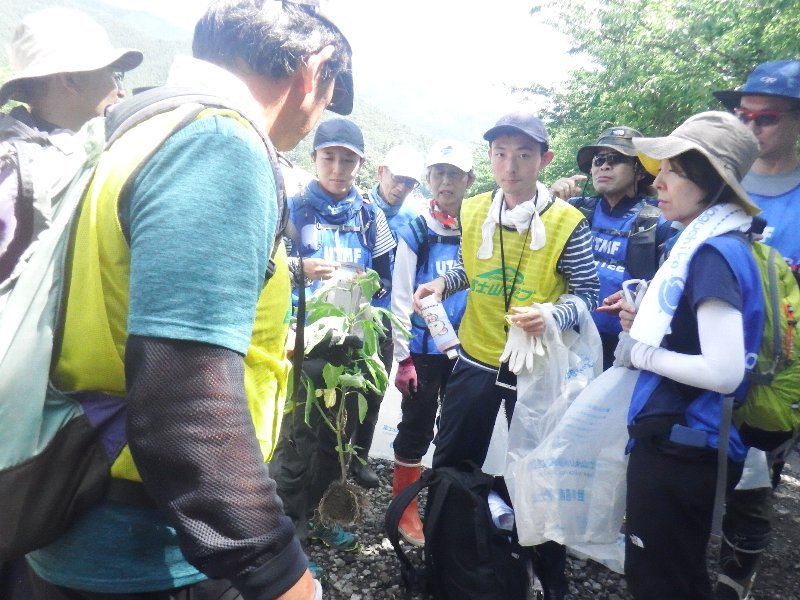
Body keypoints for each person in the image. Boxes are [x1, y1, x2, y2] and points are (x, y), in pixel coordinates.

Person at [23, 1, 353, 599]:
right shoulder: (218, 146)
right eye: (329, 95)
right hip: (149, 549)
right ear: (312, 72)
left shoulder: (144, 125)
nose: (318, 115)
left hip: (77, 510)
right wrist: (276, 570)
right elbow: (184, 393)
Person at [413, 111, 599, 600]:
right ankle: (444, 566)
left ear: (545, 159)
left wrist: (552, 316)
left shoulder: (567, 222)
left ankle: (546, 577)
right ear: (490, 157)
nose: (510, 166)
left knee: (538, 471)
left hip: (534, 367)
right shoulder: (475, 210)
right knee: (451, 462)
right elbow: (470, 269)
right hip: (476, 359)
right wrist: (442, 283)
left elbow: (587, 294)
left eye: (523, 154)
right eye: (500, 154)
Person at [615, 111, 764, 599]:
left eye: (673, 171)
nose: (657, 181)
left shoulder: (712, 254)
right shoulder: (719, 243)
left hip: (681, 445)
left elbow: (723, 372)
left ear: (710, 181)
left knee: (660, 581)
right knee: (675, 574)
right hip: (688, 442)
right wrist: (649, 322)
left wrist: (642, 353)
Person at [272, 117, 396, 561]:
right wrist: (298, 269)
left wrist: (366, 285)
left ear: (360, 164)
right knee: (297, 438)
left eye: (348, 160)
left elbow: (385, 278)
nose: (338, 169)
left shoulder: (370, 216)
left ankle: (321, 519)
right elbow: (266, 267)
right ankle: (287, 532)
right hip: (302, 339)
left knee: (336, 437)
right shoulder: (292, 209)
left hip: (351, 342)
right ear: (314, 159)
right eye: (329, 158)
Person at [711, 59, 800, 600]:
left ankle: (733, 580)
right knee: (694, 467)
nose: (750, 127)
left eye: (765, 118)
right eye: (743, 115)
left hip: (773, 377)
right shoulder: (720, 184)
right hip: (704, 363)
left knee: (752, 484)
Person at [0, 6, 142, 282]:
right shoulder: (18, 171)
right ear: (71, 80)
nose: (121, 90)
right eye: (114, 74)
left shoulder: (48, 155)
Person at [390, 141, 475, 546]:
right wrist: (402, 357)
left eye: (454, 174)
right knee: (417, 426)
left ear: (469, 180)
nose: (446, 181)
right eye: (438, 173)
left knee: (456, 431)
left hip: (468, 348)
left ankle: (445, 510)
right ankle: (404, 510)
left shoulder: (478, 224)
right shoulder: (417, 227)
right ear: (428, 178)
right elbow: (400, 294)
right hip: (424, 350)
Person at [553, 126, 675, 369]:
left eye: (615, 159)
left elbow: (673, 286)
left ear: (639, 170)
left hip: (627, 347)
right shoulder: (572, 209)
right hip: (569, 338)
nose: (604, 166)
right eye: (598, 160)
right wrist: (549, 201)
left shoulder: (660, 219)